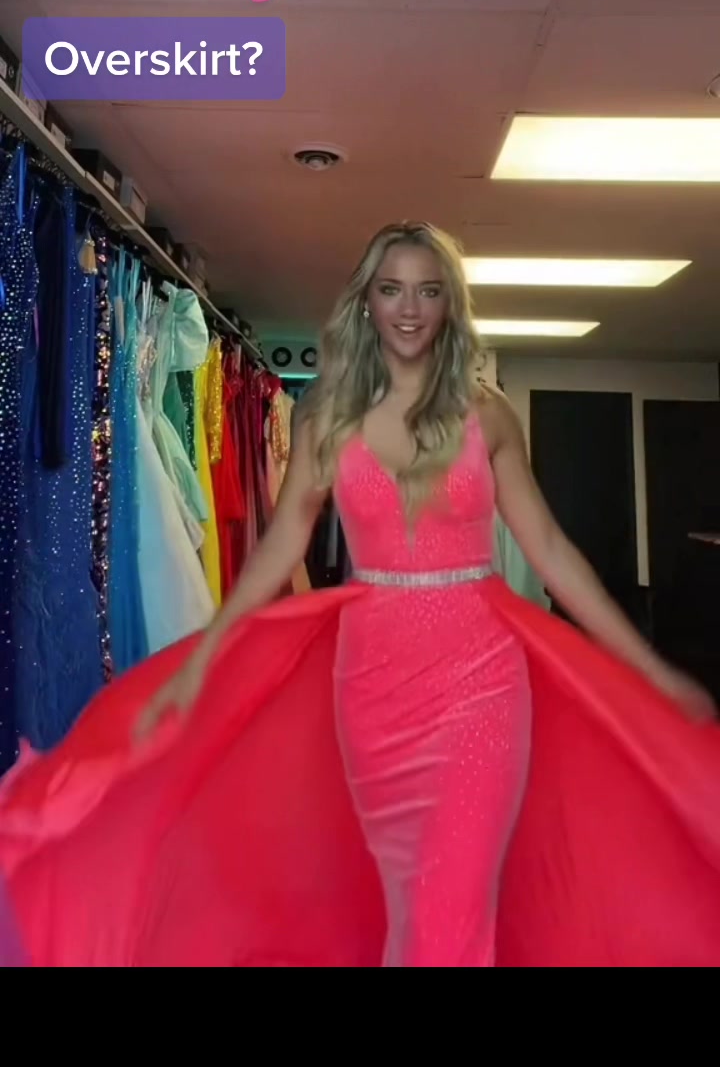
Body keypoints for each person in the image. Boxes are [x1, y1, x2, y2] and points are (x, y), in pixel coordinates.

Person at [1, 220, 720, 968]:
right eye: (392, 289)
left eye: (429, 291)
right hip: (373, 685)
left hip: (481, 683)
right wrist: (205, 656)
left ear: (450, 304)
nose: (410, 308)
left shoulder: (489, 415)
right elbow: (282, 545)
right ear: (367, 301)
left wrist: (646, 666)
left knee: (453, 896)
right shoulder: (328, 418)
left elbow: (552, 552)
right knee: (408, 896)